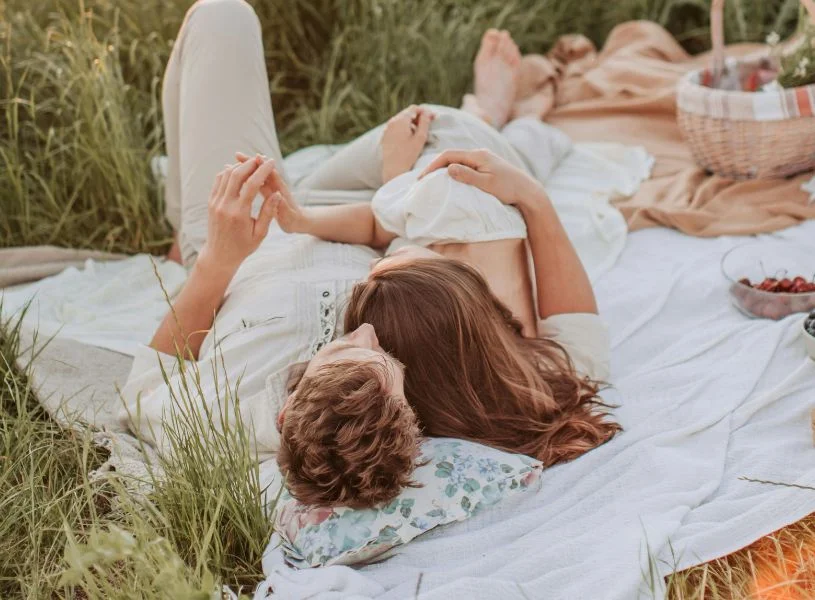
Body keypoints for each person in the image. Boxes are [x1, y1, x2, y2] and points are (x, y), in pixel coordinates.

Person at [121, 0, 619, 510]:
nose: (365, 331)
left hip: (248, 233)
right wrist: (529, 198)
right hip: (372, 214)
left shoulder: (220, 422)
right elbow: (579, 344)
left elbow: (145, 386)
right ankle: (494, 116)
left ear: (284, 414)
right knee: (452, 142)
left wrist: (217, 262)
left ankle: (186, 229)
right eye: (385, 356)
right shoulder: (416, 393)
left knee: (221, 18)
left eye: (341, 350)